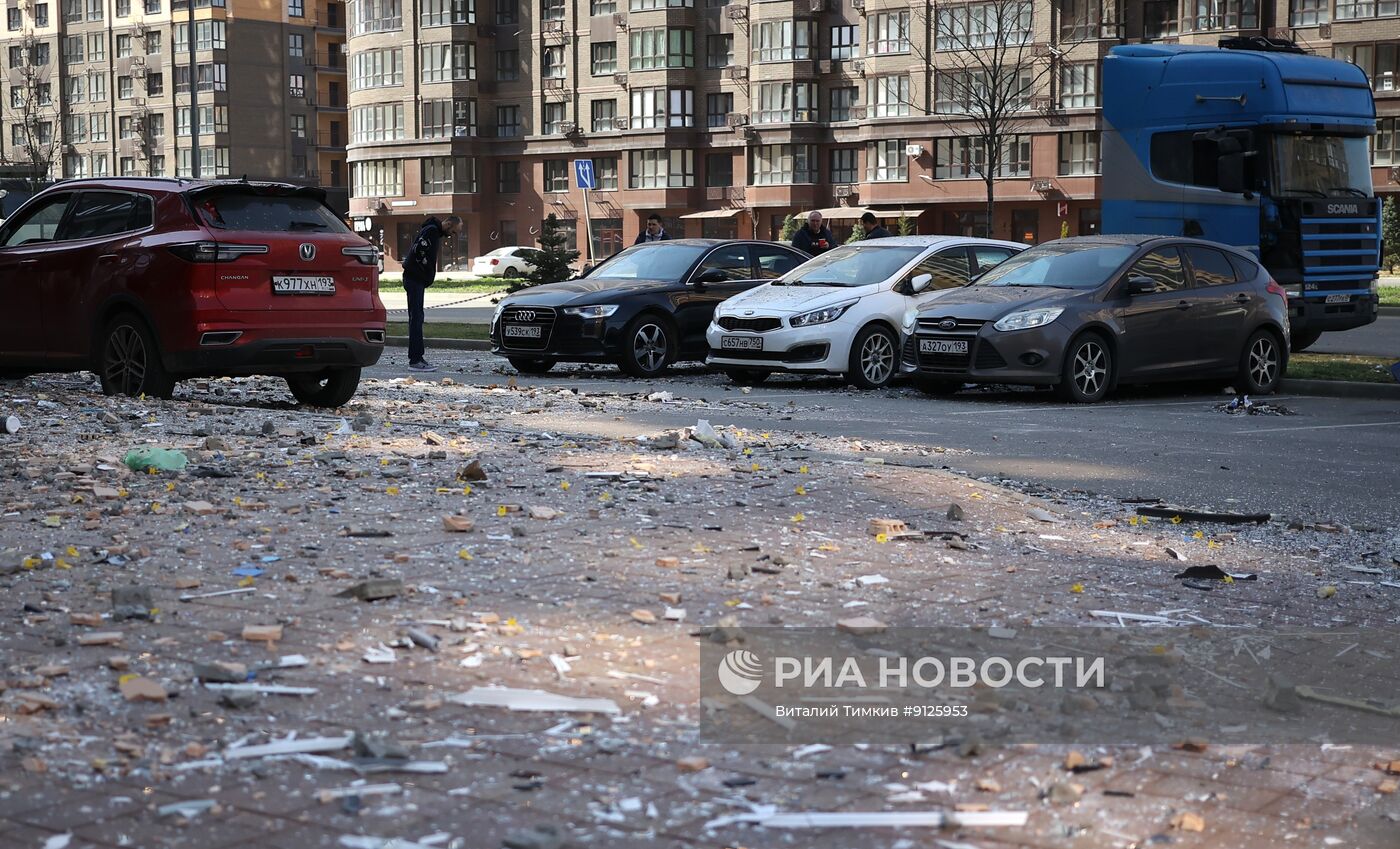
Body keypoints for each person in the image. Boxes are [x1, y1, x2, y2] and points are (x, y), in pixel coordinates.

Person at [401, 214, 462, 373]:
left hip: (415, 279)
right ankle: (415, 360)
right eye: (454, 231)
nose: (452, 234)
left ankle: (417, 358)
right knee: (416, 318)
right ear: (448, 224)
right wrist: (425, 271)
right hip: (414, 279)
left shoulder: (432, 231)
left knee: (417, 317)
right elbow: (419, 251)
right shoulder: (431, 232)